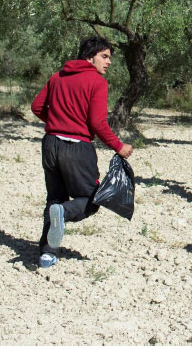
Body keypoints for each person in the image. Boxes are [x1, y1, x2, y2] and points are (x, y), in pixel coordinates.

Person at [30, 36, 133, 268]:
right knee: (91, 200)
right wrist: (119, 146)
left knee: (54, 198)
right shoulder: (97, 82)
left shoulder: (57, 77)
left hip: (50, 144)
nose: (108, 62)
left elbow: (36, 107)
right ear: (89, 56)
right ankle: (63, 214)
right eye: (104, 57)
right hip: (76, 147)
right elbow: (97, 122)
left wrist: (56, 122)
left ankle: (47, 254)